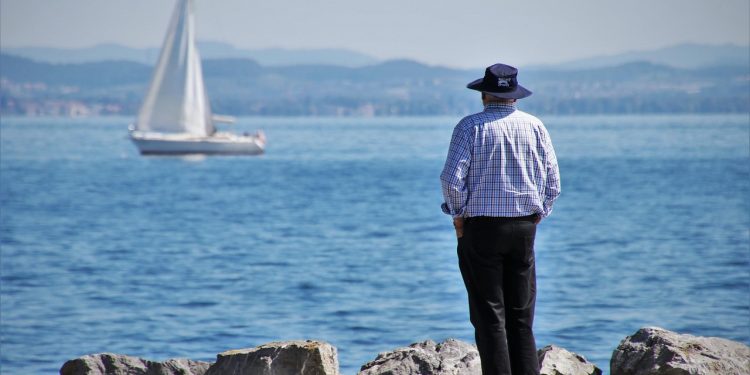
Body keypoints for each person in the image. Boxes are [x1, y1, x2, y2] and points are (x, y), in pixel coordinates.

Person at [440, 63, 561, 375]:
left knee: (489, 317)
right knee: (521, 318)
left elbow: (452, 182)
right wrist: (538, 215)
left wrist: (458, 217)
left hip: (481, 229)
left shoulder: (469, 127)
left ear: (484, 95)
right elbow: (553, 184)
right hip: (524, 228)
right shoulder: (536, 127)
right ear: (514, 96)